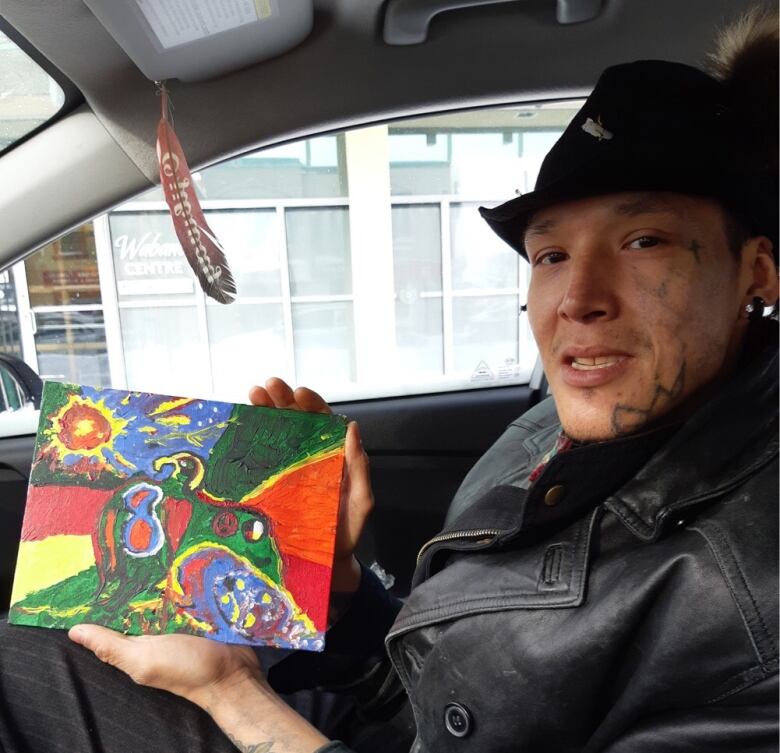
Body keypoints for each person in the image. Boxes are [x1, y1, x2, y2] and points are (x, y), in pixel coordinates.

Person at [1, 6, 777, 753]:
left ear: (759, 272)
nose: (578, 300)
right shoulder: (557, 424)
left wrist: (230, 692)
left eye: (643, 240)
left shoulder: (754, 608)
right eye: (551, 255)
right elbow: (438, 679)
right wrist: (333, 583)